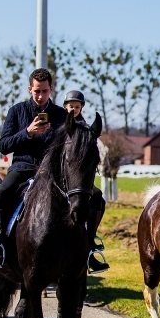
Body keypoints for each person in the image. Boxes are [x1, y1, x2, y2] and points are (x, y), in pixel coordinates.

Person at [0, 68, 66, 268]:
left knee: (82, 196)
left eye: (44, 91)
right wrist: (27, 132)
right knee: (3, 191)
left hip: (52, 171)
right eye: (37, 91)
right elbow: (4, 145)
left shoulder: (61, 115)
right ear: (30, 89)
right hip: (23, 167)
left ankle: (87, 248)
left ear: (51, 90)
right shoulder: (16, 111)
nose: (40, 96)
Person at [63, 90, 109, 273]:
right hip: (60, 174)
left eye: (77, 106)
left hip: (78, 178)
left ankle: (90, 242)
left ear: (81, 107)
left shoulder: (85, 127)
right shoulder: (59, 121)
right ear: (65, 106)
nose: (73, 109)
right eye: (70, 106)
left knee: (98, 196)